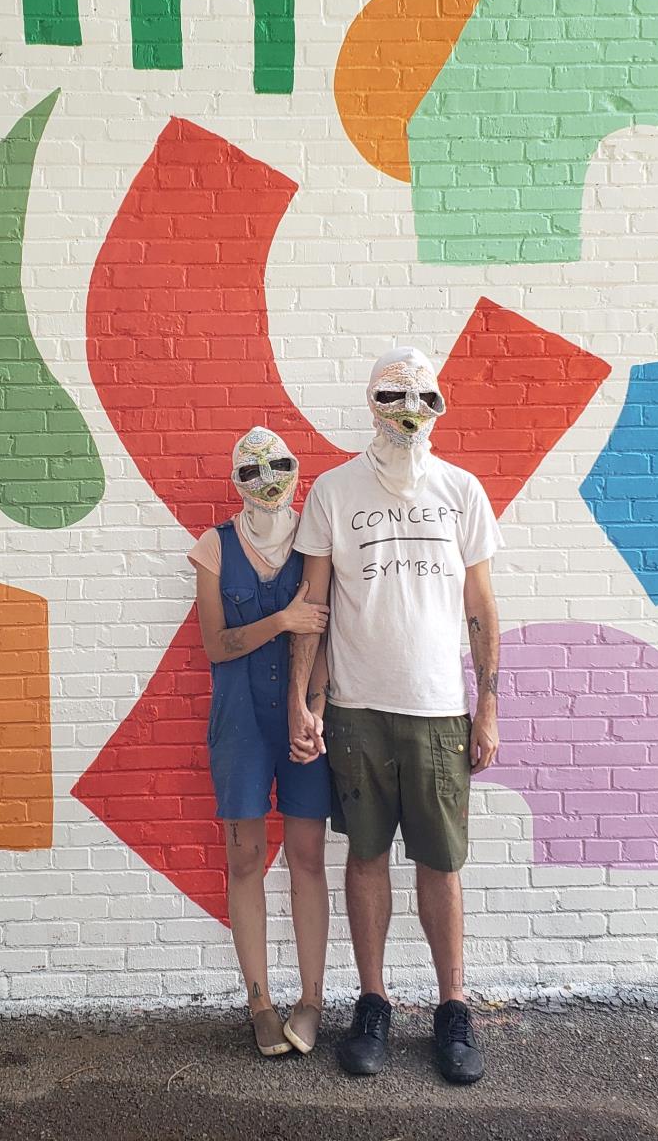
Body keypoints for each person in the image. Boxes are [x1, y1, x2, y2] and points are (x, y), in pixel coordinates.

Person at [287, 347, 502, 1085]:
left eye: (424, 398)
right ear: (371, 401)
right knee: (366, 856)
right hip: (357, 708)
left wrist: (488, 705)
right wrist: (307, 701)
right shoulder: (333, 491)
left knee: (441, 865)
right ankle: (372, 1002)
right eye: (393, 396)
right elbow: (314, 607)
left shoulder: (461, 491)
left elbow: (480, 606)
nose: (409, 412)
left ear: (440, 405)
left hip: (441, 708)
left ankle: (452, 1008)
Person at [190, 426, 334, 1058]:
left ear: (296, 470)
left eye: (279, 465)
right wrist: (279, 619)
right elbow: (216, 646)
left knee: (307, 857)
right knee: (246, 859)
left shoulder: (317, 540)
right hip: (240, 721)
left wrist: (316, 711)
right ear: (234, 480)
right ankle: (259, 1002)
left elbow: (328, 635)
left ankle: (311, 1002)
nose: (268, 480)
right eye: (251, 470)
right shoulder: (213, 548)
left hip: (302, 719)